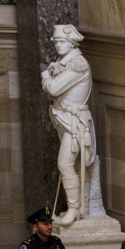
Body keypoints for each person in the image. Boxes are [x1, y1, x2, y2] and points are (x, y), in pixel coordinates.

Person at [41, 25, 97, 226]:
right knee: (68, 165)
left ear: (72, 43)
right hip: (64, 120)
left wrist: (46, 76)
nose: (57, 45)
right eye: (55, 42)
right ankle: (75, 207)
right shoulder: (66, 62)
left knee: (65, 164)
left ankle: (75, 209)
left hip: (75, 124)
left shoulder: (78, 64)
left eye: (62, 42)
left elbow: (54, 89)